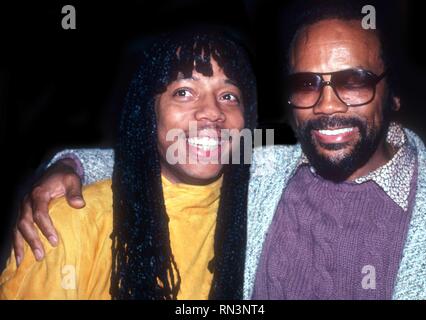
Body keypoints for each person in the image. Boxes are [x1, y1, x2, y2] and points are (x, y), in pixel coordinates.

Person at [8, 1, 426, 300]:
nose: (327, 104)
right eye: (306, 84)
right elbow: (160, 156)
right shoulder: (271, 168)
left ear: (394, 94)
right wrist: (69, 164)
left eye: (354, 80)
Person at [0, 28, 257, 299]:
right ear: (149, 113)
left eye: (229, 96)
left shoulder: (266, 215)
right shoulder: (69, 221)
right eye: (184, 92)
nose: (212, 112)